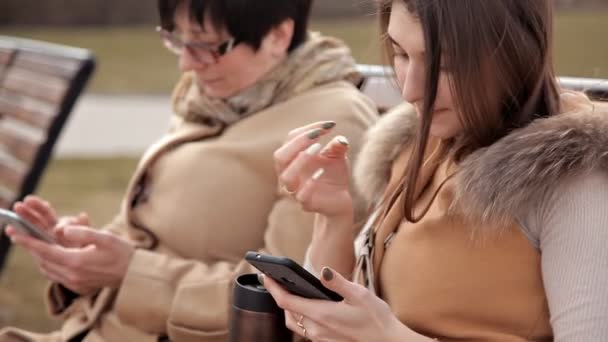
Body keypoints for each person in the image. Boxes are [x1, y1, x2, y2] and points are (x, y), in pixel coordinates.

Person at [0, 0, 378, 341]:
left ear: (278, 34)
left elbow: (288, 299)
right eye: (178, 40)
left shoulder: (328, 127)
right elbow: (146, 230)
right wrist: (83, 253)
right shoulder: (222, 99)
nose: (186, 62)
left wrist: (129, 272)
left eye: (206, 45)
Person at [265, 0, 608, 341]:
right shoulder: (421, 143)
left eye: (444, 65)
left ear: (517, 51)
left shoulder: (576, 178)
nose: (412, 91)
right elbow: (352, 313)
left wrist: (387, 338)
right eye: (400, 54)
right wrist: (332, 218)